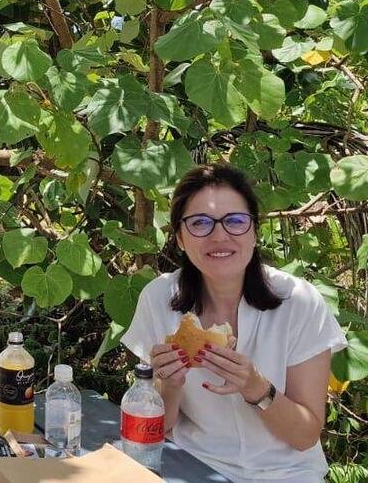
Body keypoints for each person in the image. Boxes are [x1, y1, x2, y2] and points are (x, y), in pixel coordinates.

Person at [120, 163, 346, 483]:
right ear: (180, 238)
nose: (219, 235)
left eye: (235, 221)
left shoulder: (300, 303)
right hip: (191, 467)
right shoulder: (158, 299)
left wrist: (256, 387)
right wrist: (168, 384)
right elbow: (162, 427)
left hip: (287, 475)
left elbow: (305, 435)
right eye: (200, 223)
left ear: (254, 232)